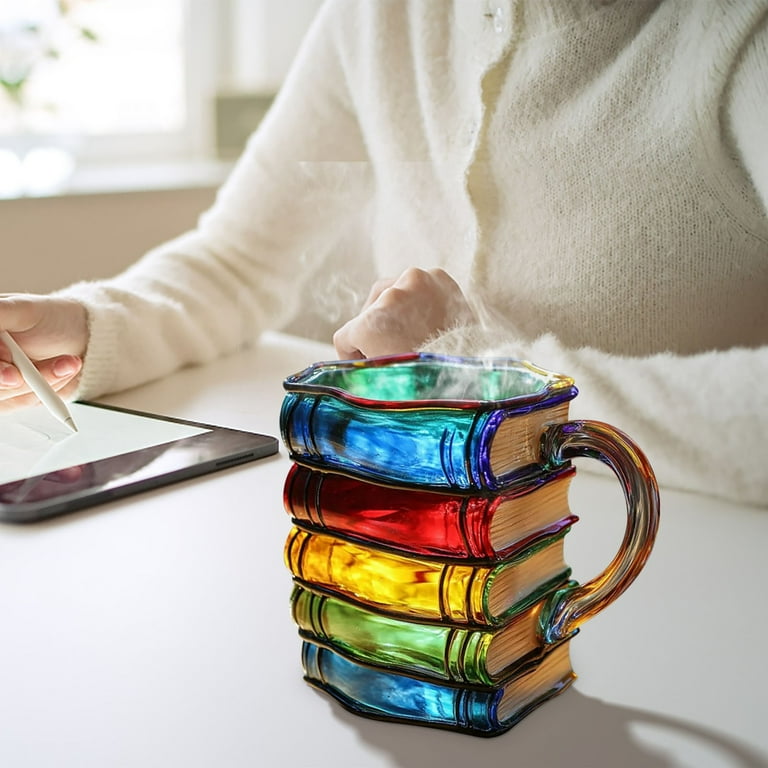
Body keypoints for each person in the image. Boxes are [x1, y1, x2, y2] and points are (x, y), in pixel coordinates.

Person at [1, 0, 766, 506]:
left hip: (666, 561)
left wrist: (473, 381)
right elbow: (237, 261)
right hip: (416, 540)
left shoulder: (736, 35)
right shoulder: (378, 14)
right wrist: (84, 323)